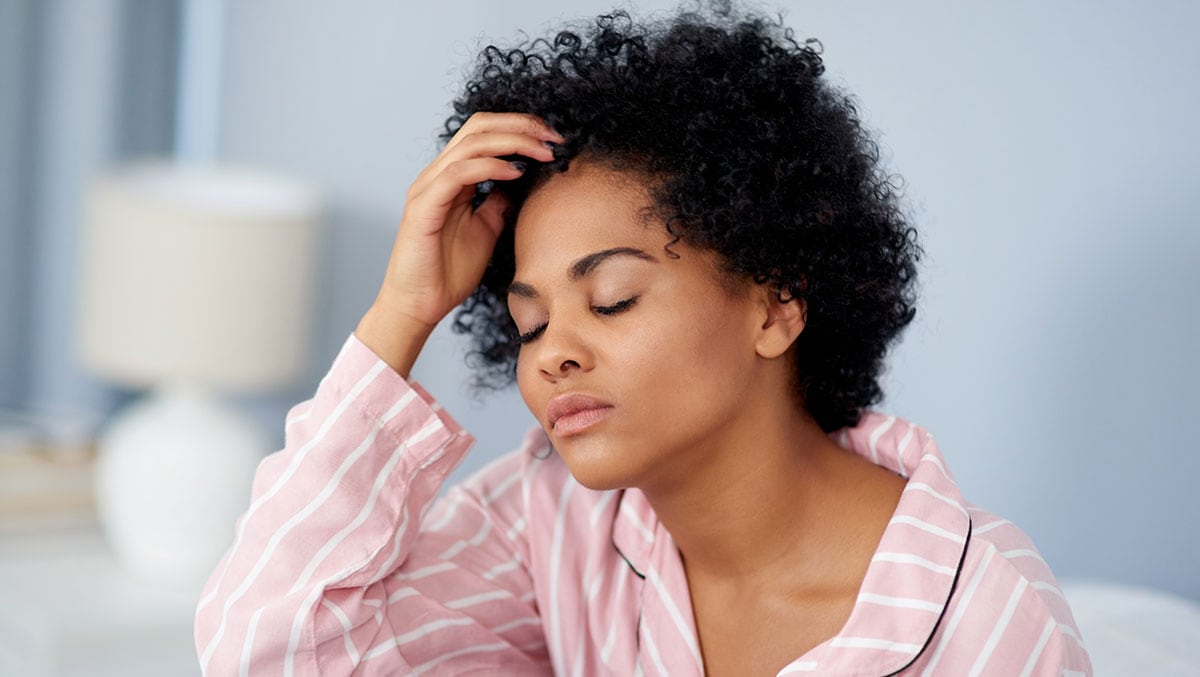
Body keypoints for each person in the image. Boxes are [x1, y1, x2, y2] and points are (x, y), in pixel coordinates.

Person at [194, 4, 1092, 675]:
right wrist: (402, 311)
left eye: (614, 298)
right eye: (530, 321)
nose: (551, 354)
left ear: (777, 304)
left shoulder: (984, 616)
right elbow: (268, 652)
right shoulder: (551, 523)